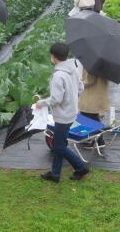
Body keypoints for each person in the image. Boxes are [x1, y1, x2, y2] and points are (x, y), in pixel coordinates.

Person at [36, 43, 89, 182]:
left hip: (62, 116)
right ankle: (55, 174)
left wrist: (41, 103)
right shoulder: (73, 69)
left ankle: (81, 167)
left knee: (58, 145)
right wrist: (72, 97)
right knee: (60, 143)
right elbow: (81, 88)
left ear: (53, 57)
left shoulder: (58, 75)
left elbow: (56, 99)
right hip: (71, 112)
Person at [79, 68, 109, 147]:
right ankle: (94, 138)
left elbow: (90, 80)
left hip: (91, 96)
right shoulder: (103, 64)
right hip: (98, 94)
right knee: (92, 116)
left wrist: (80, 83)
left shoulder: (93, 66)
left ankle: (98, 140)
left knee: (89, 116)